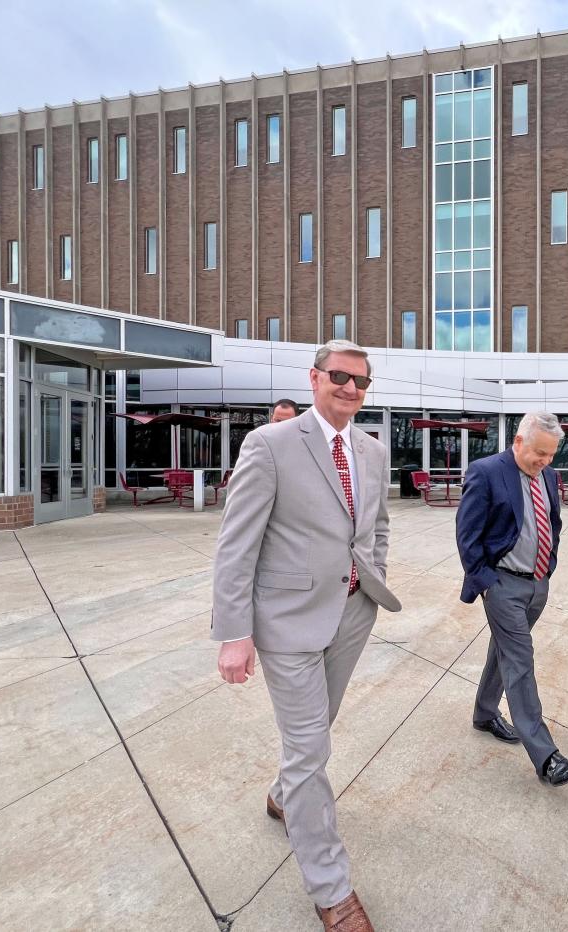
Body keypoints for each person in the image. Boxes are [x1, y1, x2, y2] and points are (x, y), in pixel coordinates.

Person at [212, 339, 401, 931]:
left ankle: (282, 794)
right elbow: (236, 543)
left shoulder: (372, 451)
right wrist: (234, 633)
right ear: (315, 378)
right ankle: (332, 888)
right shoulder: (269, 444)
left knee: (315, 731)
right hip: (286, 623)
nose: (350, 388)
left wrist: (373, 579)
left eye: (361, 381)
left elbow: (377, 528)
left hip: (350, 615)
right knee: (311, 750)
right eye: (340, 376)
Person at [455, 411, 568, 787]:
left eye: (550, 455)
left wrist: (548, 566)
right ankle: (547, 757)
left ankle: (484, 712)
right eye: (538, 453)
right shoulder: (487, 472)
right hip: (503, 586)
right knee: (520, 661)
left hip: (537, 583)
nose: (544, 461)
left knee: (505, 650)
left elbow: (552, 523)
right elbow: (468, 534)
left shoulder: (549, 476)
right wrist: (487, 583)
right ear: (518, 441)